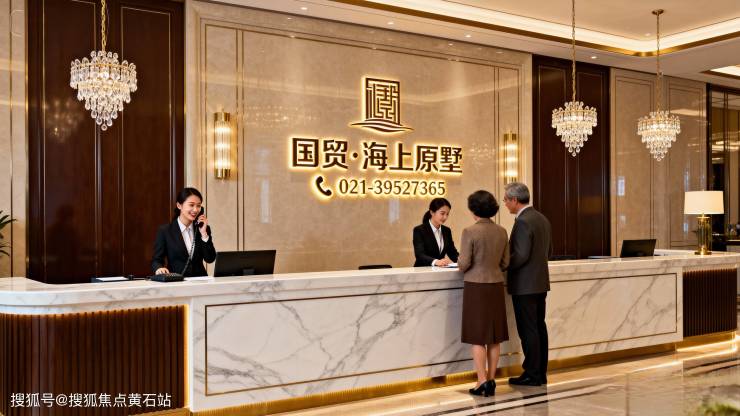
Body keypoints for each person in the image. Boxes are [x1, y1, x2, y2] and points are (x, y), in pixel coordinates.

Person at [457, 190, 510, 397]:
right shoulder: (502, 231)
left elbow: (463, 264)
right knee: (494, 337)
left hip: (476, 287)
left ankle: (481, 381)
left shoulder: (469, 231)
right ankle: (491, 379)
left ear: (473, 209)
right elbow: (505, 262)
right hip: (496, 286)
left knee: (478, 337)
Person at [503, 182, 552, 387]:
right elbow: (548, 251)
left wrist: (504, 263)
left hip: (525, 285)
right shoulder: (541, 218)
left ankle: (532, 373)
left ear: (515, 200)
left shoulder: (523, 221)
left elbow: (521, 255)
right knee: (539, 327)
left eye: (506, 200)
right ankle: (539, 372)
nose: (505, 203)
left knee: (528, 330)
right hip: (540, 283)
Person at [152, 187, 216, 277]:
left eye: (198, 206)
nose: (195, 210)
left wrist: (204, 234)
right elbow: (156, 260)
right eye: (191, 205)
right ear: (179, 206)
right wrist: (159, 268)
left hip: (200, 281)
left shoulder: (203, 229)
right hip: (176, 281)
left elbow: (210, 259)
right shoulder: (165, 231)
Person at [413, 198, 459, 267]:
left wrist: (464, 261)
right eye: (442, 213)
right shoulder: (419, 230)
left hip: (439, 271)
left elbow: (452, 253)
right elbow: (420, 255)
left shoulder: (446, 231)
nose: (445, 217)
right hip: (422, 270)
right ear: (432, 212)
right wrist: (436, 261)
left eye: (447, 214)